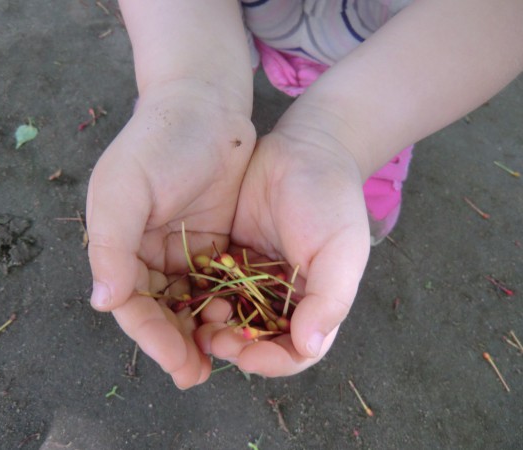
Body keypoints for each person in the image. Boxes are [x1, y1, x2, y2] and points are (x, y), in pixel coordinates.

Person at [85, 0, 523, 389]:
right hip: (249, 23)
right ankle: (295, 115)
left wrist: (339, 139)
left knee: (359, 144)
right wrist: (189, 88)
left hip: (406, 65)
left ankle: (357, 150)